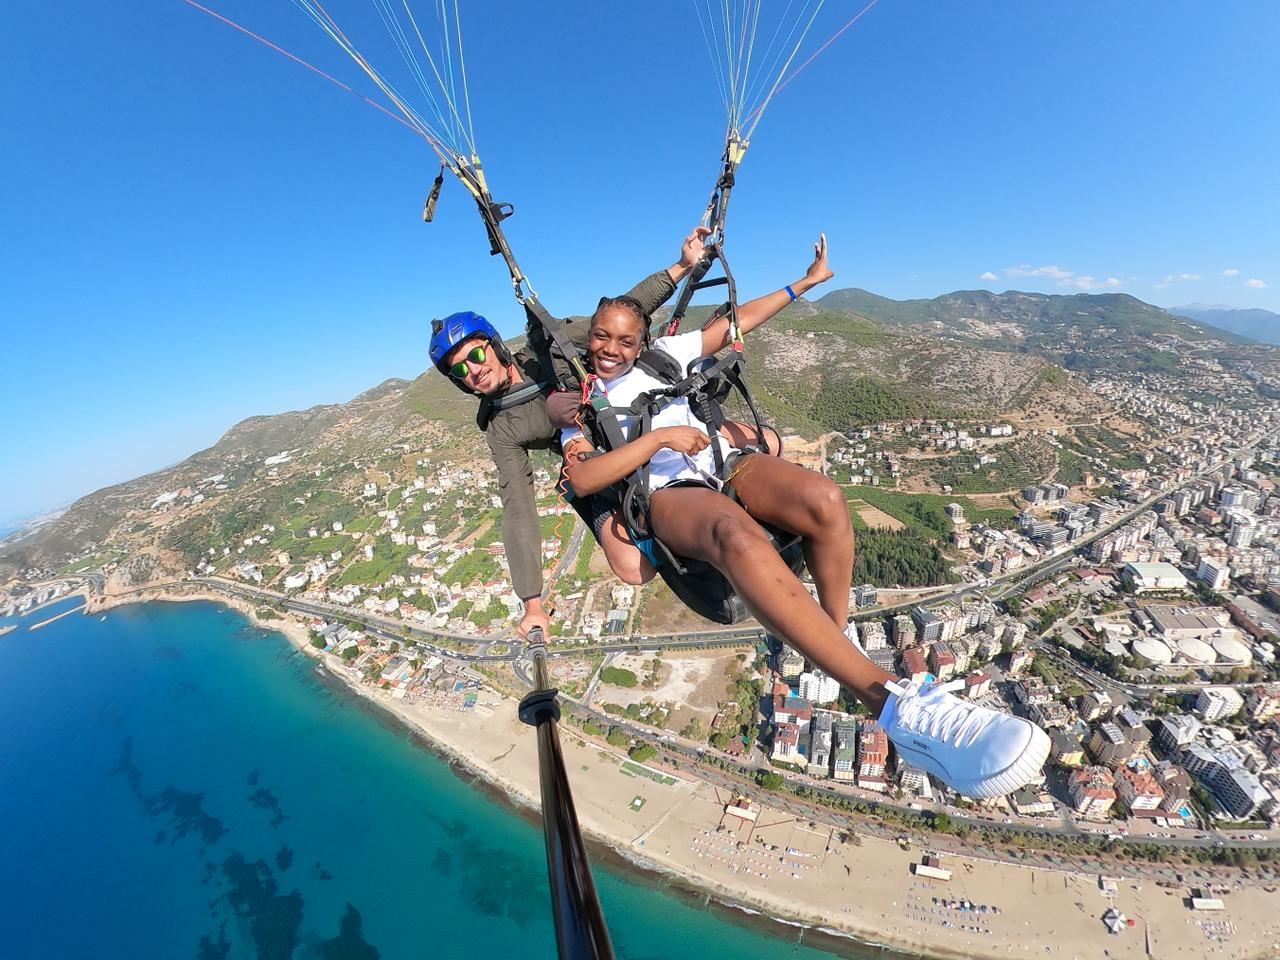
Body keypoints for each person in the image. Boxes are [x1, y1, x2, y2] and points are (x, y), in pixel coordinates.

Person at [559, 235, 1050, 799]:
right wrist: (660, 438)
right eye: (601, 336)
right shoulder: (581, 399)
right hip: (667, 491)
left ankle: (834, 638)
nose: (611, 348)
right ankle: (893, 706)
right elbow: (582, 479)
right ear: (588, 335)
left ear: (643, 338)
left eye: (625, 338)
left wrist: (808, 282)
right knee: (733, 534)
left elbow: (739, 320)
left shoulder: (667, 354)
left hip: (721, 460)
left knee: (826, 500)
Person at [429, 228, 711, 638]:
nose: (473, 369)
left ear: (493, 346)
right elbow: (518, 508)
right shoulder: (501, 427)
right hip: (588, 461)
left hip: (629, 421)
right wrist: (532, 601)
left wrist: (682, 266)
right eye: (459, 369)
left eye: (475, 354)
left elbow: (624, 315)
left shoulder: (549, 348)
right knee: (635, 570)